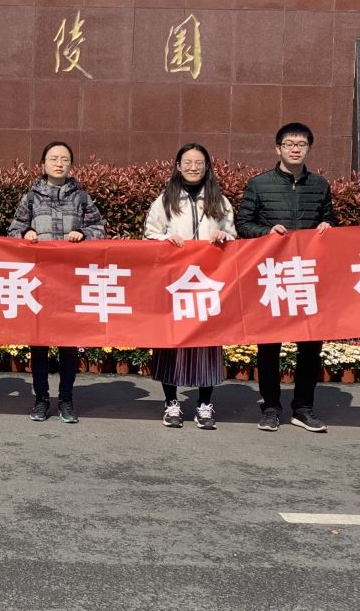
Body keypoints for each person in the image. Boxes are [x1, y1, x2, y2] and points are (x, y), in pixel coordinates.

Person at [236, 122, 336, 433]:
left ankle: (303, 407)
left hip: (307, 275)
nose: (295, 149)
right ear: (277, 148)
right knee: (269, 345)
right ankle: (271, 406)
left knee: (310, 345)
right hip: (273, 274)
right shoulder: (259, 184)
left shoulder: (319, 185)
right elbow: (243, 223)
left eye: (301, 144)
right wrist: (267, 232)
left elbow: (330, 219)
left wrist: (328, 227)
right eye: (289, 144)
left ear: (308, 149)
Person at [7, 141, 105, 424]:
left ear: (71, 165)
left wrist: (83, 234)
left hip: (71, 282)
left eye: (64, 159)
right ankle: (40, 399)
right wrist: (25, 233)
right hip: (39, 282)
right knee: (39, 344)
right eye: (53, 159)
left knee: (67, 345)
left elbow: (99, 229)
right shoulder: (30, 197)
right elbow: (13, 229)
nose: (59, 163)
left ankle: (66, 399)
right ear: (43, 164)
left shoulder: (81, 197)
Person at [144, 143, 235, 430]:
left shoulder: (219, 200)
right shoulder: (165, 200)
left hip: (209, 282)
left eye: (199, 163)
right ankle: (171, 403)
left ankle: (204, 405)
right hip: (176, 283)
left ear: (207, 167)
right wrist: (165, 240)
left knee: (207, 344)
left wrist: (224, 236)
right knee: (172, 343)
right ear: (178, 166)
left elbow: (233, 235)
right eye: (188, 162)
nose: (193, 167)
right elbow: (149, 236)